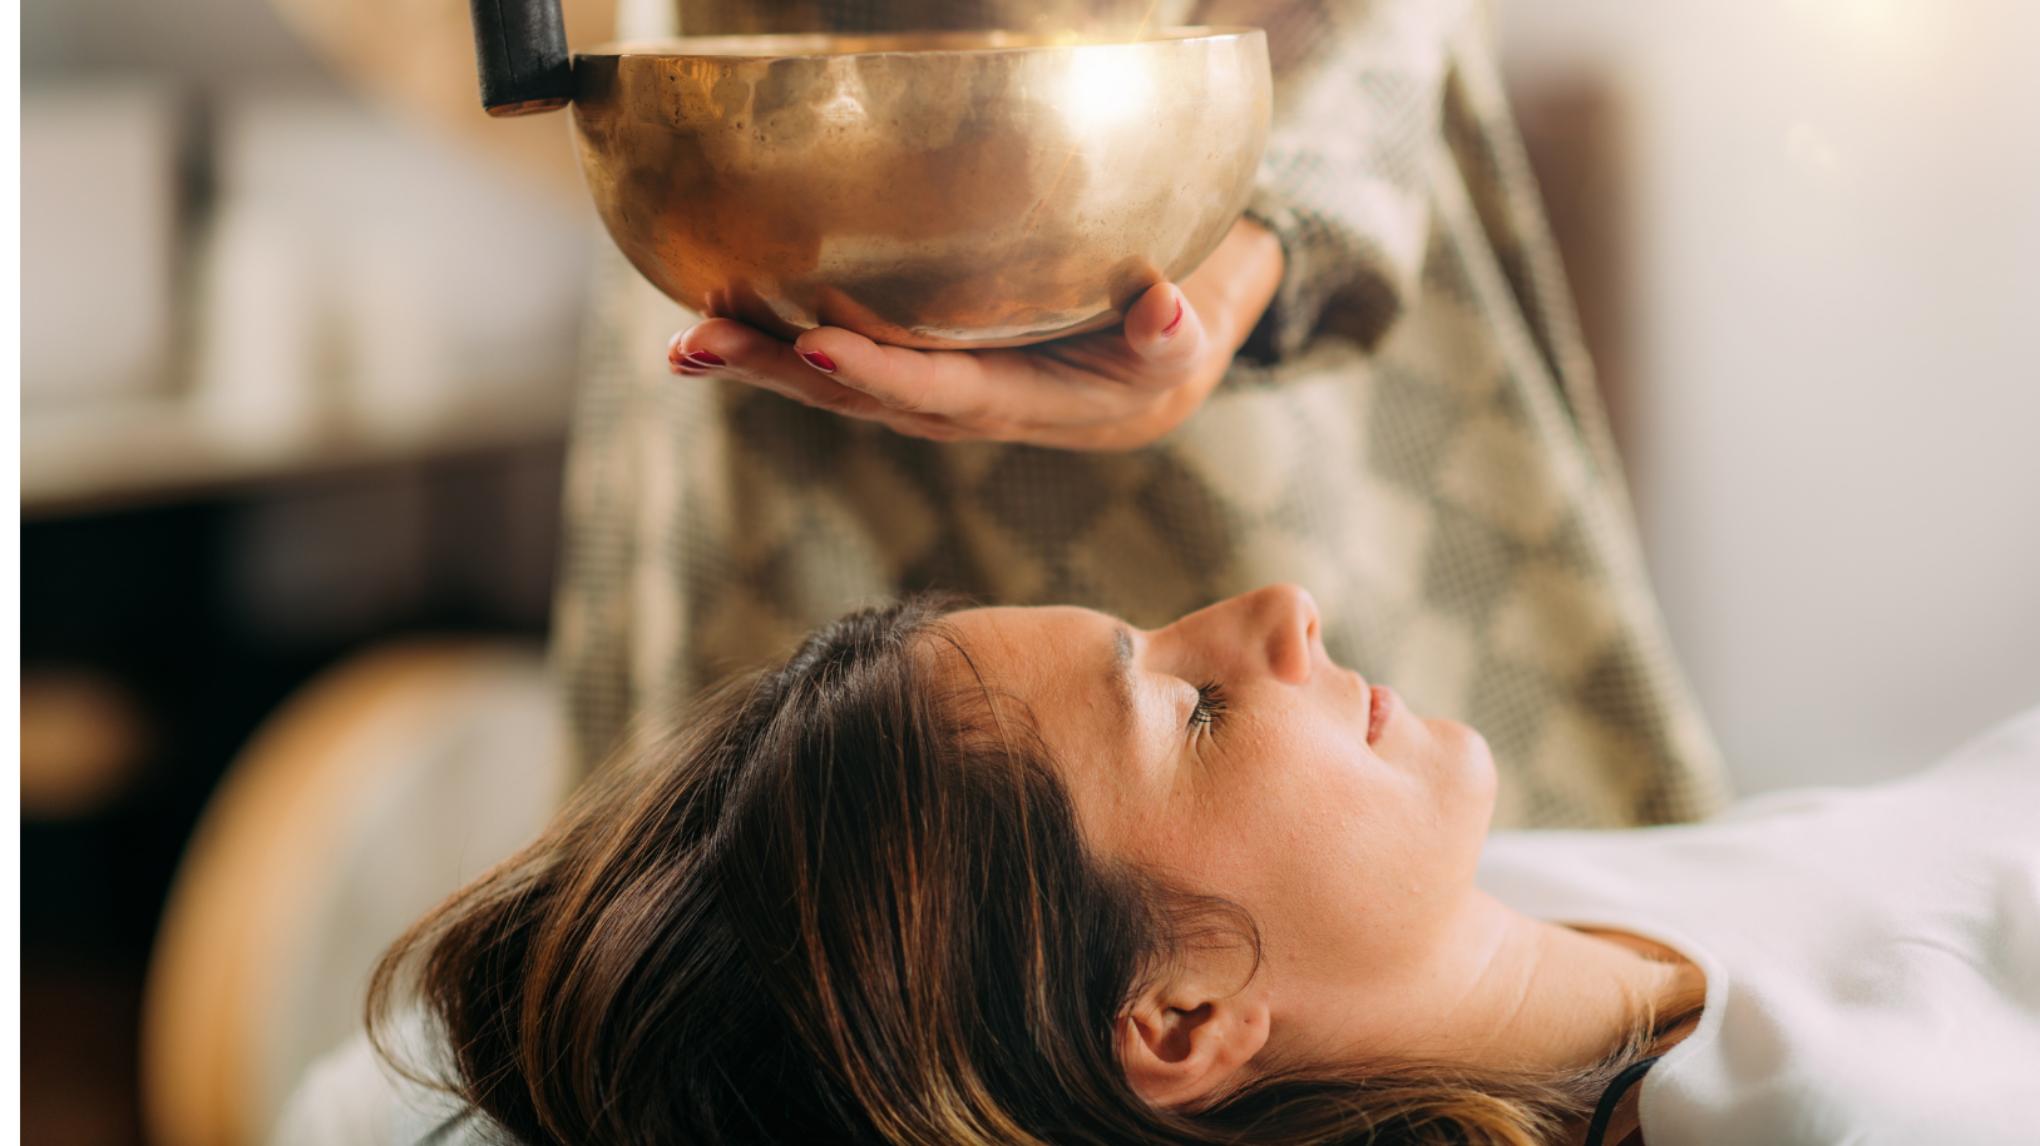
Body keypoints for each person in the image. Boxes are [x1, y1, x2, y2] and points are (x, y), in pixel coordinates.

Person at [281, 586, 2040, 1145]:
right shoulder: (1881, 1103)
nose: (1275, 610)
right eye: (1194, 712)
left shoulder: (1457, 922)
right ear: (1185, 1013)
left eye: (1164, 638)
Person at [552, 0, 1729, 832]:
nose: (1286, 628)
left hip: (1208, 221)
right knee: (811, 980)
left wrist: (1259, 240)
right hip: (744, 229)